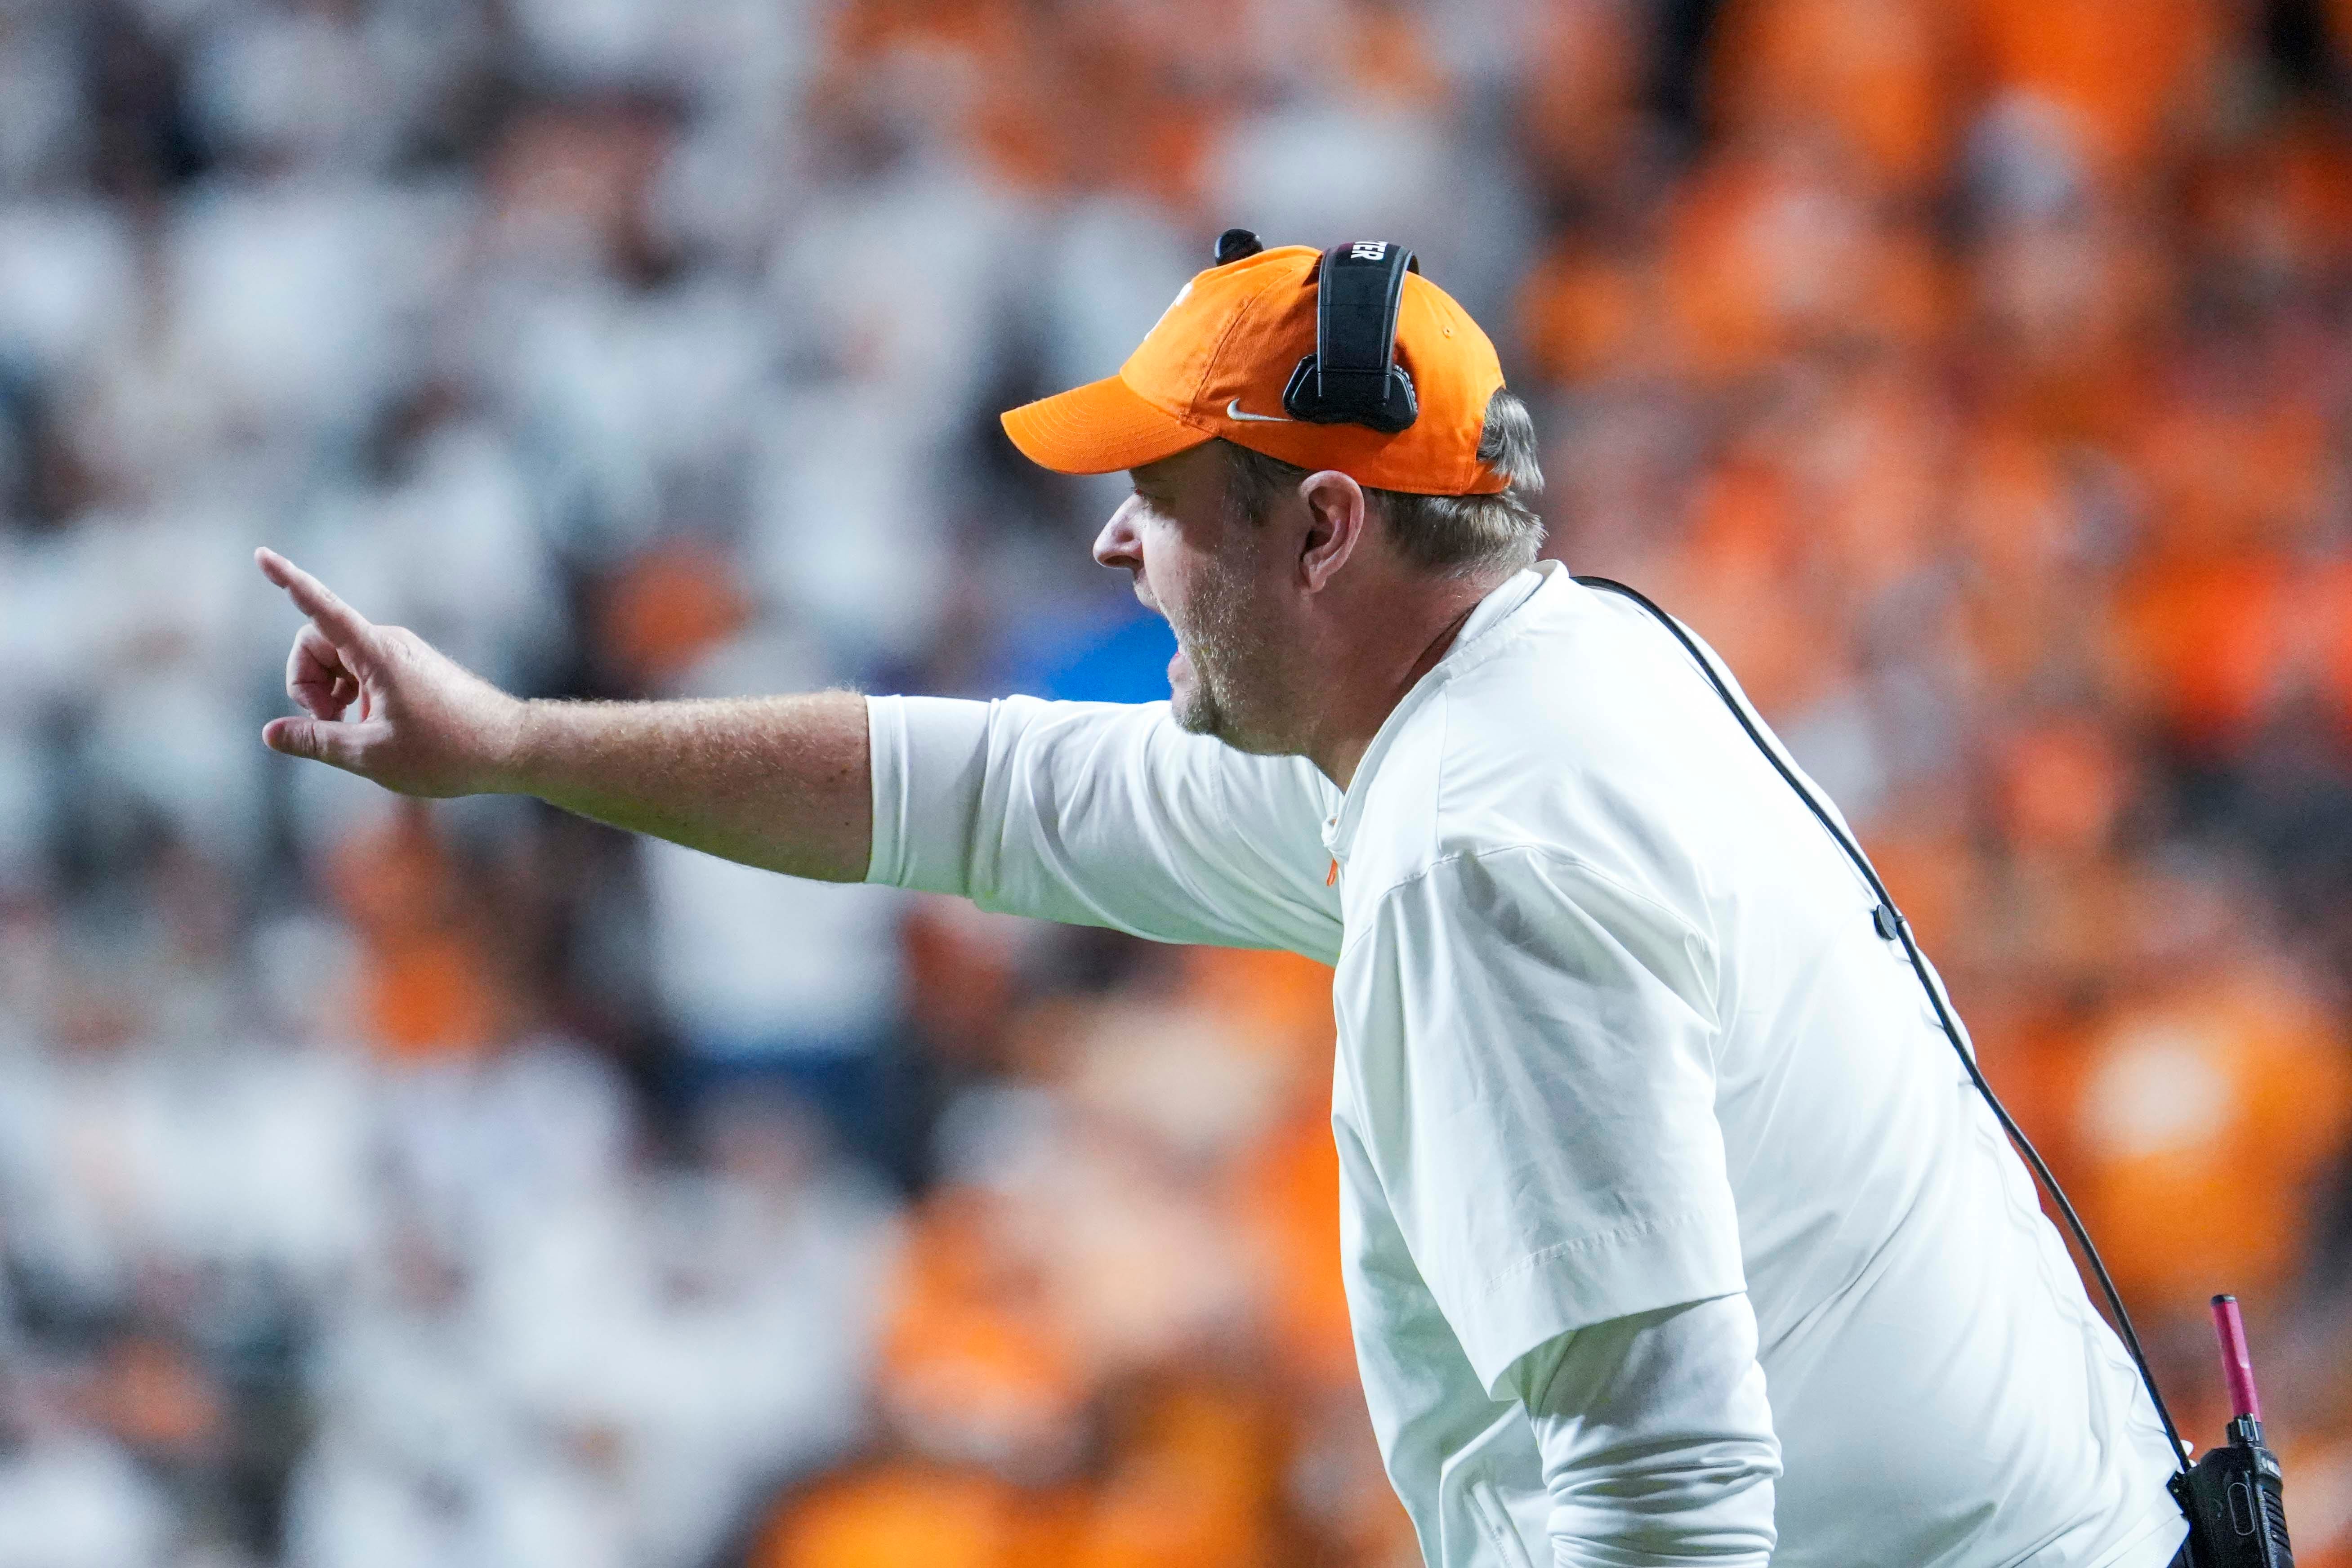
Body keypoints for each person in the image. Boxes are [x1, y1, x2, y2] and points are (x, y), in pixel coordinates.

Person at [255, 238, 2190, 1568]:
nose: (1116, 541)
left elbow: (1669, 1484)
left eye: (1165, 498)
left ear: (1326, 529)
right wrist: (516, 740)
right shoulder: (1542, 676)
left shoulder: (1476, 844)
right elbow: (989, 789)